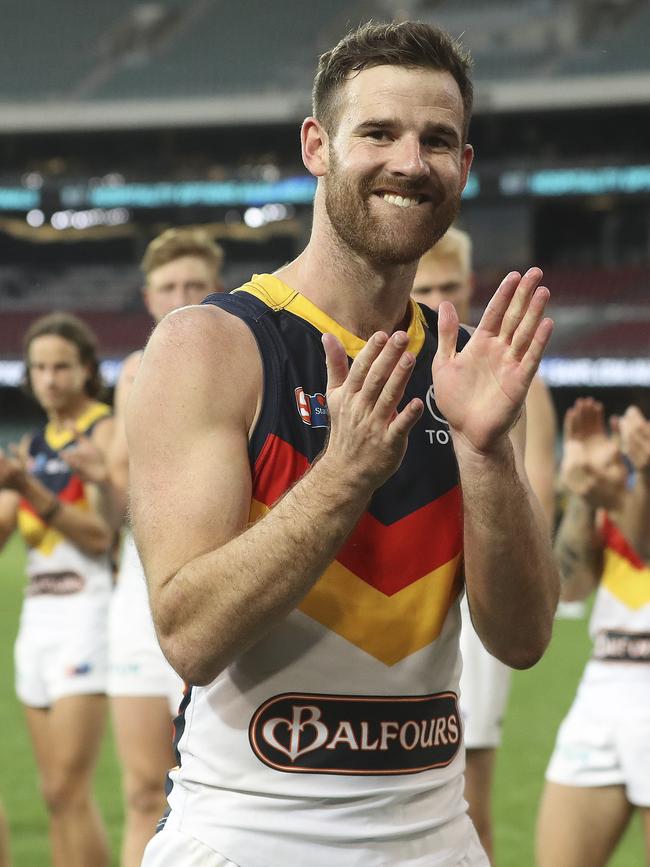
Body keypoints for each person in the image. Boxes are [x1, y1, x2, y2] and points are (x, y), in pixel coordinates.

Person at [128, 21, 560, 867]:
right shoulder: (210, 346)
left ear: (464, 168)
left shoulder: (475, 368)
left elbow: (523, 638)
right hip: (253, 833)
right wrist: (346, 474)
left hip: (435, 839)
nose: (410, 161)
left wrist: (486, 452)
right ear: (317, 146)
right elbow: (190, 634)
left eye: (438, 140)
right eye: (379, 133)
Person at [65, 228, 224, 867]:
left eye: (196, 284)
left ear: (219, 287)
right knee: (140, 792)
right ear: (148, 296)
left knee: (220, 797)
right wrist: (102, 481)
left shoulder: (247, 359)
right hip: (139, 597)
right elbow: (112, 512)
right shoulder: (131, 375)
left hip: (217, 584)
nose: (183, 296)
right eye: (170, 286)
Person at [412, 227, 557, 862]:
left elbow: (536, 507)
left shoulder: (521, 382)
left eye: (449, 287)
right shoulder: (392, 366)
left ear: (470, 287)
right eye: (425, 290)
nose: (440, 301)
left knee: (470, 793)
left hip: (484, 600)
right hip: (412, 587)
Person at [0, 313, 115, 867]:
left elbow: (100, 535)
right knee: (52, 794)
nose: (49, 380)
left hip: (87, 611)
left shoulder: (104, 430)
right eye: (40, 368)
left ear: (86, 371)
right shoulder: (31, 443)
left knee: (71, 787)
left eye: (61, 367)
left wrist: (26, 487)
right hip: (37, 617)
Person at [536, 399, 650, 867]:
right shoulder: (620, 491)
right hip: (604, 686)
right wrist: (584, 495)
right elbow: (568, 589)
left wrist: (641, 483)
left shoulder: (636, 485)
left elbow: (642, 544)